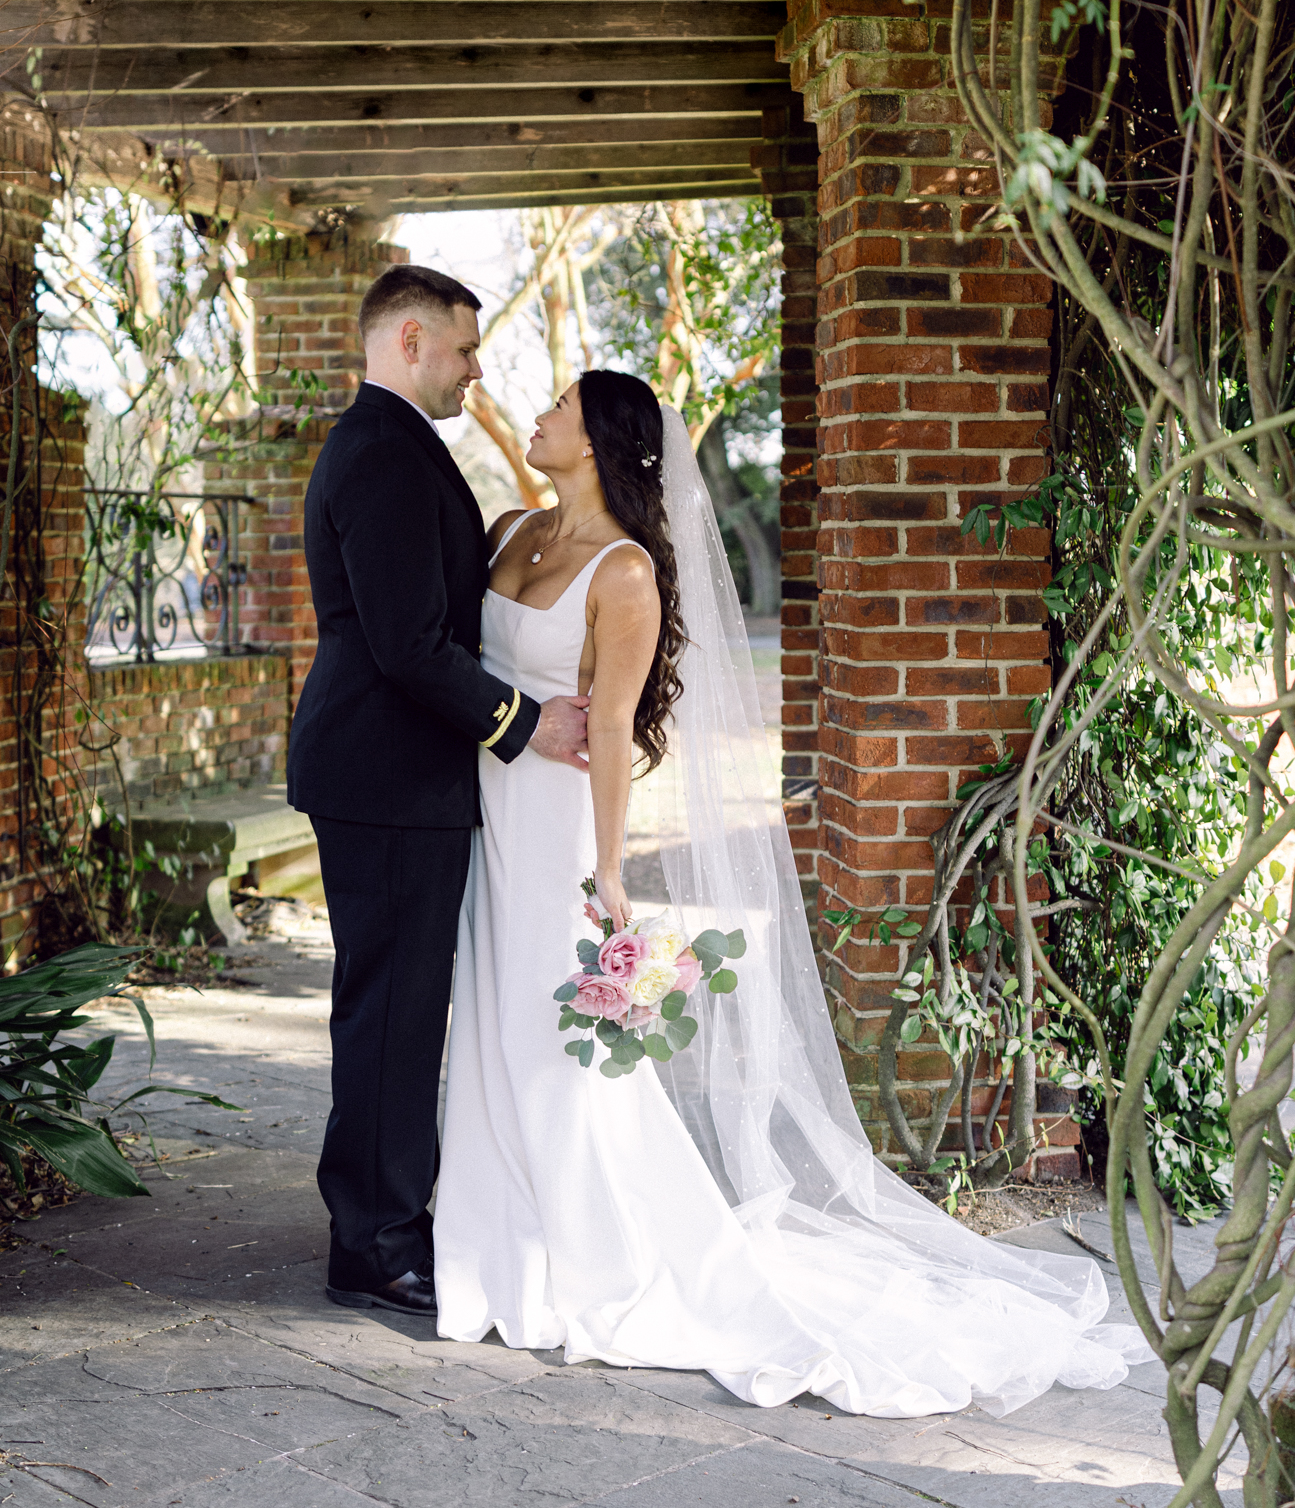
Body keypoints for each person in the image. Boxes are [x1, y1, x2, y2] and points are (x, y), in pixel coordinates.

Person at [432, 367, 1155, 1418]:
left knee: (552, 1046)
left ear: (592, 441)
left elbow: (613, 734)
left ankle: (581, 1248)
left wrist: (606, 874)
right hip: (480, 820)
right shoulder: (507, 531)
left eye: (557, 409)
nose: (535, 418)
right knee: (490, 1027)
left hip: (549, 833)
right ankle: (498, 1237)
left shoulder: (624, 573)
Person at [287, 265, 589, 1318]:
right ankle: (370, 1240)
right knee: (390, 1010)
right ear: (409, 339)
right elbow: (408, 643)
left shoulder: (394, 443)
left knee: (404, 1006)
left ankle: (384, 1211)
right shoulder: (380, 452)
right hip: (384, 770)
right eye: (464, 349)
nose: (475, 368)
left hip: (397, 770)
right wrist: (524, 719)